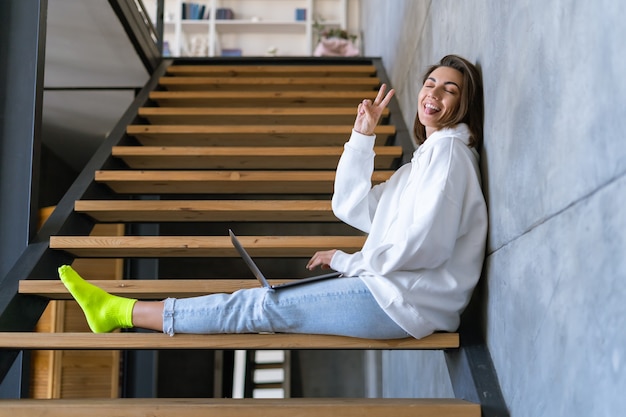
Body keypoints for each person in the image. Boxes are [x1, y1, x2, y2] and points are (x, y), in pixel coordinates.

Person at [58, 54, 487, 340]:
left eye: (449, 89)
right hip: (390, 291)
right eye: (431, 82)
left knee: (259, 307)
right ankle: (121, 312)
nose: (433, 93)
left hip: (404, 302)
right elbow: (353, 207)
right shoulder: (422, 163)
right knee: (262, 303)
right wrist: (362, 136)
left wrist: (349, 262)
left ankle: (119, 312)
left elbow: (425, 246)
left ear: (463, 104)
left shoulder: (448, 154)